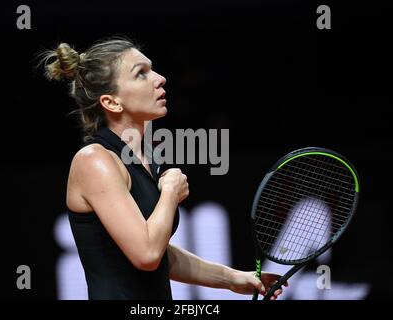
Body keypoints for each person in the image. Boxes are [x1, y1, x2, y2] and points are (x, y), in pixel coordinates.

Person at [40, 37, 287, 300]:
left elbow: (160, 256)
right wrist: (169, 193)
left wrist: (233, 278)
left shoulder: (146, 157)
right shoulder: (94, 160)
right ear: (112, 102)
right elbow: (146, 254)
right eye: (141, 74)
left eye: (152, 69)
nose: (159, 78)